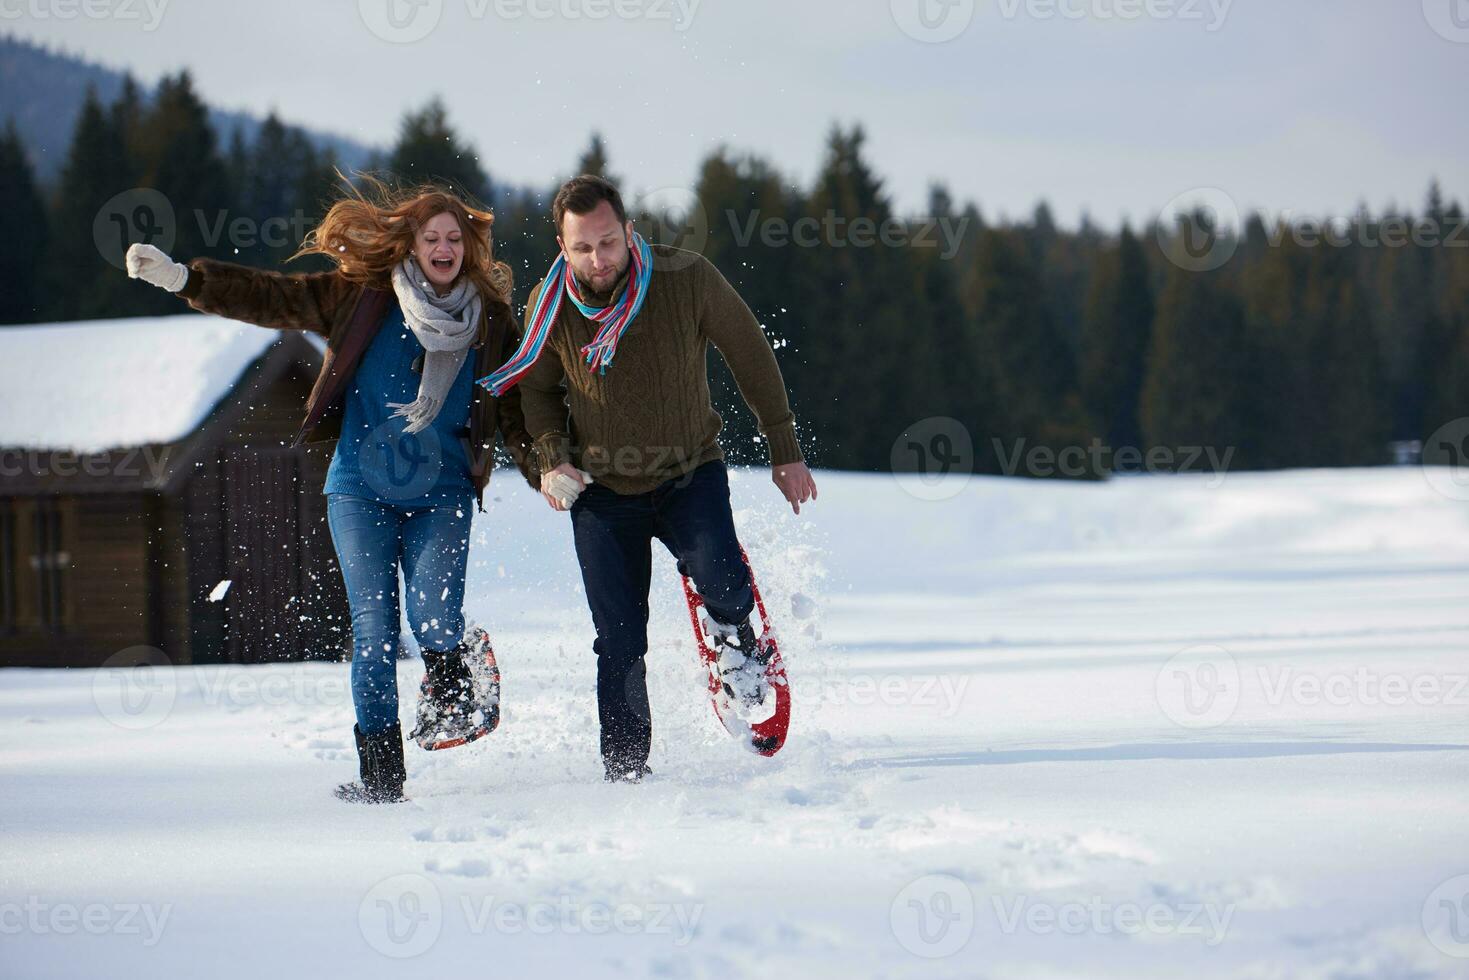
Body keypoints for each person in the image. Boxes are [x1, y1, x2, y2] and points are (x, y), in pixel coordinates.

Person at [125, 177, 538, 804]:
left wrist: (547, 469)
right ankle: (381, 778)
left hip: (442, 493)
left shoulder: (491, 320)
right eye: (432, 237)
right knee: (374, 631)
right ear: (411, 242)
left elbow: (513, 406)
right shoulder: (363, 297)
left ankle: (455, 670)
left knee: (432, 616)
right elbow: (274, 296)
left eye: (455, 237)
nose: (445, 246)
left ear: (470, 248)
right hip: (358, 491)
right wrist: (186, 280)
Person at [480, 174, 818, 783]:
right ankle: (626, 773)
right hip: (603, 493)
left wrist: (784, 447)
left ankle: (736, 637)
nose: (597, 259)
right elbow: (536, 393)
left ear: (629, 232)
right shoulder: (548, 306)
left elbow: (750, 351)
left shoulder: (686, 278)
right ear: (562, 247)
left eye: (608, 243)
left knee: (721, 574)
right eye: (582, 247)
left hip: (690, 470)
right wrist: (553, 457)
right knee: (618, 640)